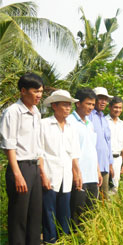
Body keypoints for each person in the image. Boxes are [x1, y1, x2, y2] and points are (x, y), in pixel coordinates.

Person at [0, 73, 44, 244]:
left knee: (35, 215)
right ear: (23, 91)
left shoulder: (37, 112)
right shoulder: (12, 112)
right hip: (20, 167)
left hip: (34, 168)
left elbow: (38, 145)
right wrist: (17, 174)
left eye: (40, 91)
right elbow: (9, 145)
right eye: (35, 91)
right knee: (19, 217)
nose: (39, 95)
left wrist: (40, 171)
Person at [39, 90, 81, 243]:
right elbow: (39, 152)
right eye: (64, 105)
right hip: (50, 175)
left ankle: (64, 240)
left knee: (65, 213)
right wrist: (43, 175)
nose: (68, 108)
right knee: (49, 213)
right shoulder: (44, 124)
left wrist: (77, 174)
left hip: (66, 177)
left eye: (69, 105)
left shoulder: (71, 127)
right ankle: (50, 241)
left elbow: (74, 154)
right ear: (54, 106)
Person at [67, 88, 103, 225]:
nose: (91, 107)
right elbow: (70, 151)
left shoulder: (90, 123)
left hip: (92, 176)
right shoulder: (70, 122)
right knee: (77, 213)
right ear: (78, 103)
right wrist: (76, 173)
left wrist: (98, 171)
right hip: (78, 176)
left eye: (93, 104)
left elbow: (92, 149)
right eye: (88, 104)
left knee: (91, 212)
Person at [89, 87, 113, 200]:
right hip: (92, 165)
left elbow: (108, 143)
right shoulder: (89, 116)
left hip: (105, 165)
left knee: (104, 198)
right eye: (100, 98)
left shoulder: (104, 118)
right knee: (93, 198)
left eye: (105, 99)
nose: (103, 102)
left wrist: (110, 163)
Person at [106, 96, 123, 194]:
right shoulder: (104, 121)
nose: (118, 110)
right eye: (115, 107)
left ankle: (110, 209)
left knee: (114, 190)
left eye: (120, 108)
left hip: (117, 160)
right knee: (103, 189)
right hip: (105, 160)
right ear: (110, 107)